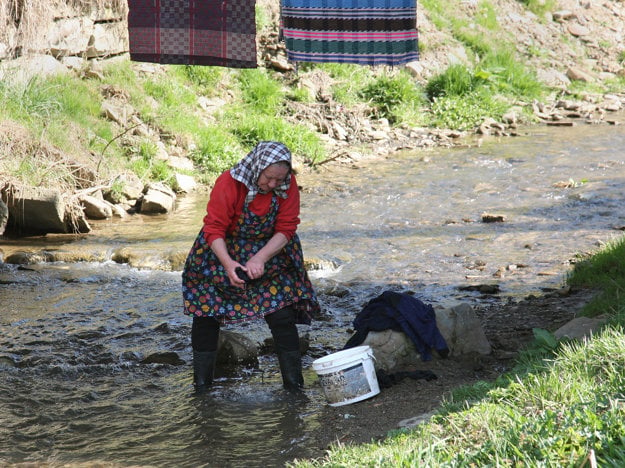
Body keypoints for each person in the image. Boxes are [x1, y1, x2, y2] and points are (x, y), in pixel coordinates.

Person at [182, 141, 320, 393]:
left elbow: (287, 228)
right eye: (268, 178)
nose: (273, 185)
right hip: (222, 249)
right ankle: (202, 389)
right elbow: (214, 228)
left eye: (280, 179)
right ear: (258, 168)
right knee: (205, 315)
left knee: (281, 314)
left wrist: (260, 258)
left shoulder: (287, 186)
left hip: (271, 251)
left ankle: (294, 387)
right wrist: (228, 264)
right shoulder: (229, 182)